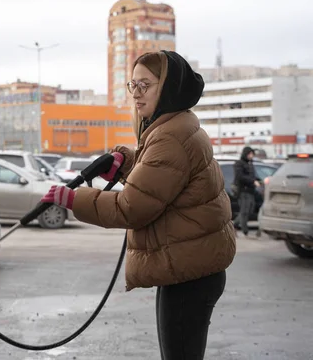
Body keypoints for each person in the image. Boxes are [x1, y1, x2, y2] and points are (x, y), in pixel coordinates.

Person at [41, 51, 236, 360]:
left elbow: (132, 207)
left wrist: (73, 199)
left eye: (146, 84)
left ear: (169, 87)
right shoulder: (175, 126)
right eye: (133, 84)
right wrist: (125, 166)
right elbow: (163, 186)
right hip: (191, 266)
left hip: (190, 271)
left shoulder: (171, 136)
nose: (137, 94)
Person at [233, 146, 261, 237]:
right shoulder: (239, 164)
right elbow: (240, 176)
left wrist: (258, 180)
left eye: (252, 154)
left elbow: (253, 176)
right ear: (246, 154)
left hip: (251, 190)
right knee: (244, 211)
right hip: (243, 190)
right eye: (250, 154)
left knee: (249, 210)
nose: (251, 156)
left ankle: (234, 225)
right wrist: (252, 181)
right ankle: (245, 231)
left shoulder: (250, 164)